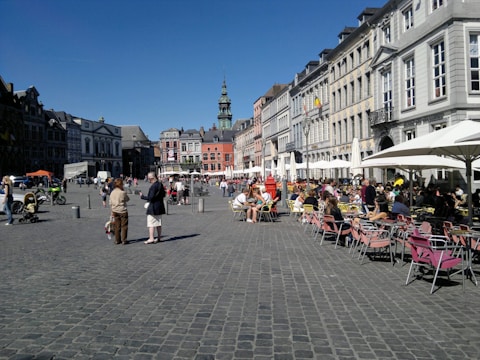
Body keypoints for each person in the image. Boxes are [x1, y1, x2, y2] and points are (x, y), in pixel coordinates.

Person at [140, 172, 166, 244]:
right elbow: (164, 194)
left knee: (151, 223)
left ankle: (151, 238)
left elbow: (151, 197)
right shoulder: (160, 184)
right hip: (160, 206)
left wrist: (142, 196)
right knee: (158, 223)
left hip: (153, 207)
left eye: (149, 178)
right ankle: (159, 237)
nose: (148, 180)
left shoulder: (153, 186)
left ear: (152, 178)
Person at [109, 178, 130, 245]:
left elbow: (110, 203)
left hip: (115, 210)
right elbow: (127, 199)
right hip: (122, 210)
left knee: (117, 226)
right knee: (124, 226)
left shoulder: (112, 192)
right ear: (121, 184)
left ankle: (117, 240)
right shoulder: (122, 192)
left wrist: (111, 211)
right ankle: (124, 240)